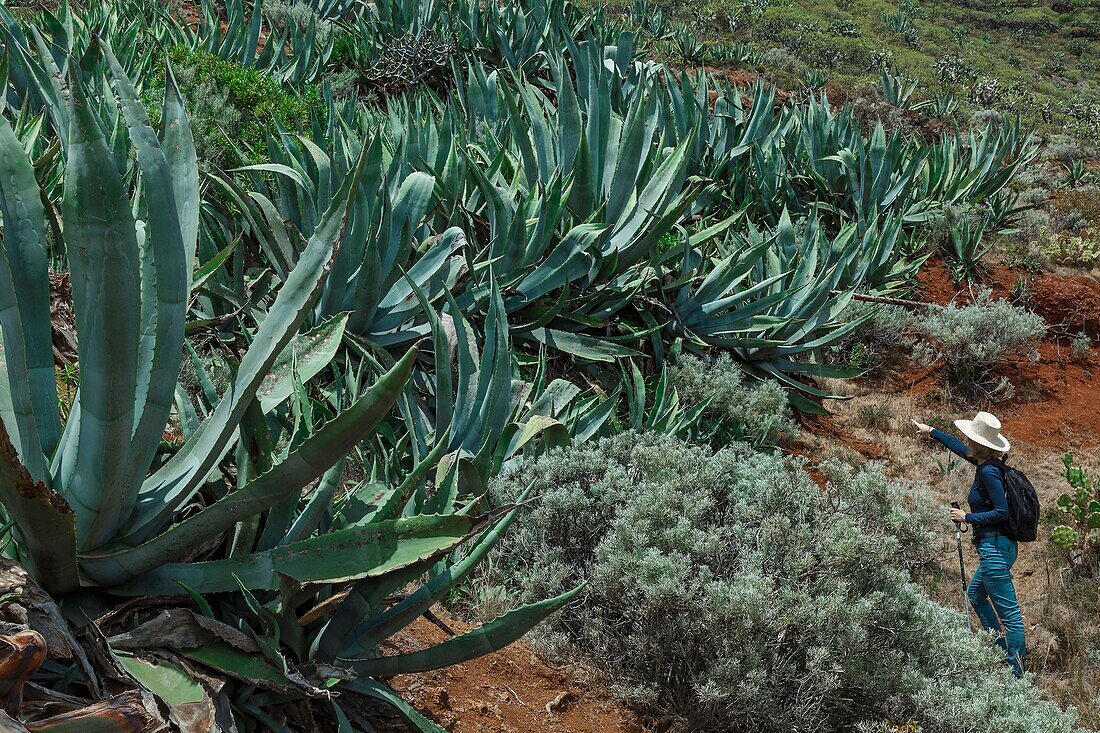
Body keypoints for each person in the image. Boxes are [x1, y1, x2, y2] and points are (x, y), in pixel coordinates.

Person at [912, 411, 1025, 678]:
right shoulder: (988, 465)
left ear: (979, 443)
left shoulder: (988, 473)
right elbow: (962, 450)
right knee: (975, 595)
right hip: (997, 547)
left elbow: (1002, 512)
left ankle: (1017, 675)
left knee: (1010, 614)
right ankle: (998, 653)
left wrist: (967, 517)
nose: (966, 440)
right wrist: (932, 431)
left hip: (995, 548)